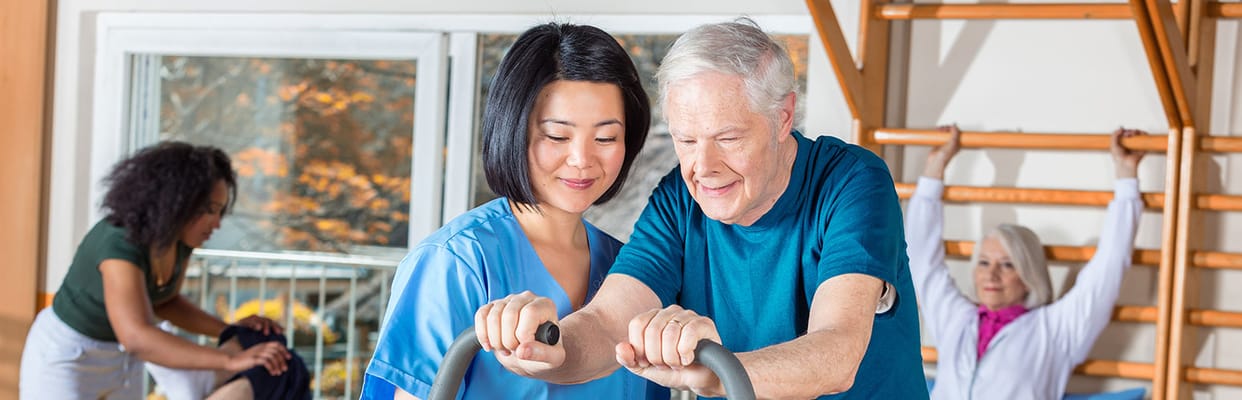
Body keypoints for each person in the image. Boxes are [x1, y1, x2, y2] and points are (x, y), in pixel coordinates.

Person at [472, 19, 927, 399]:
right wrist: (551, 349)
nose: (703, 168)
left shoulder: (850, 182)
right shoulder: (678, 200)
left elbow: (837, 353)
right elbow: (609, 321)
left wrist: (715, 372)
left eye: (727, 139)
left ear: (783, 117)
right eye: (686, 141)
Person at [360, 23, 666, 400]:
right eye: (557, 136)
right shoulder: (455, 263)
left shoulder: (628, 267)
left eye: (606, 138)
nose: (582, 160)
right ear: (514, 129)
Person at [19, 141, 305, 400]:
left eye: (220, 211)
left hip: (121, 361)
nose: (216, 223)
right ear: (176, 200)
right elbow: (136, 336)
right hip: (69, 357)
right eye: (209, 209)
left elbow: (165, 301)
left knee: (281, 364)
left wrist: (229, 329)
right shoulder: (117, 242)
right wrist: (229, 361)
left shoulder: (178, 241)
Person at [907, 125, 1145, 399]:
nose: (991, 275)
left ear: (1028, 274)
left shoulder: (1056, 329)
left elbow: (1109, 267)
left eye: (1007, 265)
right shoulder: (956, 318)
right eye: (983, 263)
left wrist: (1126, 177)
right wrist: (934, 168)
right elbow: (921, 258)